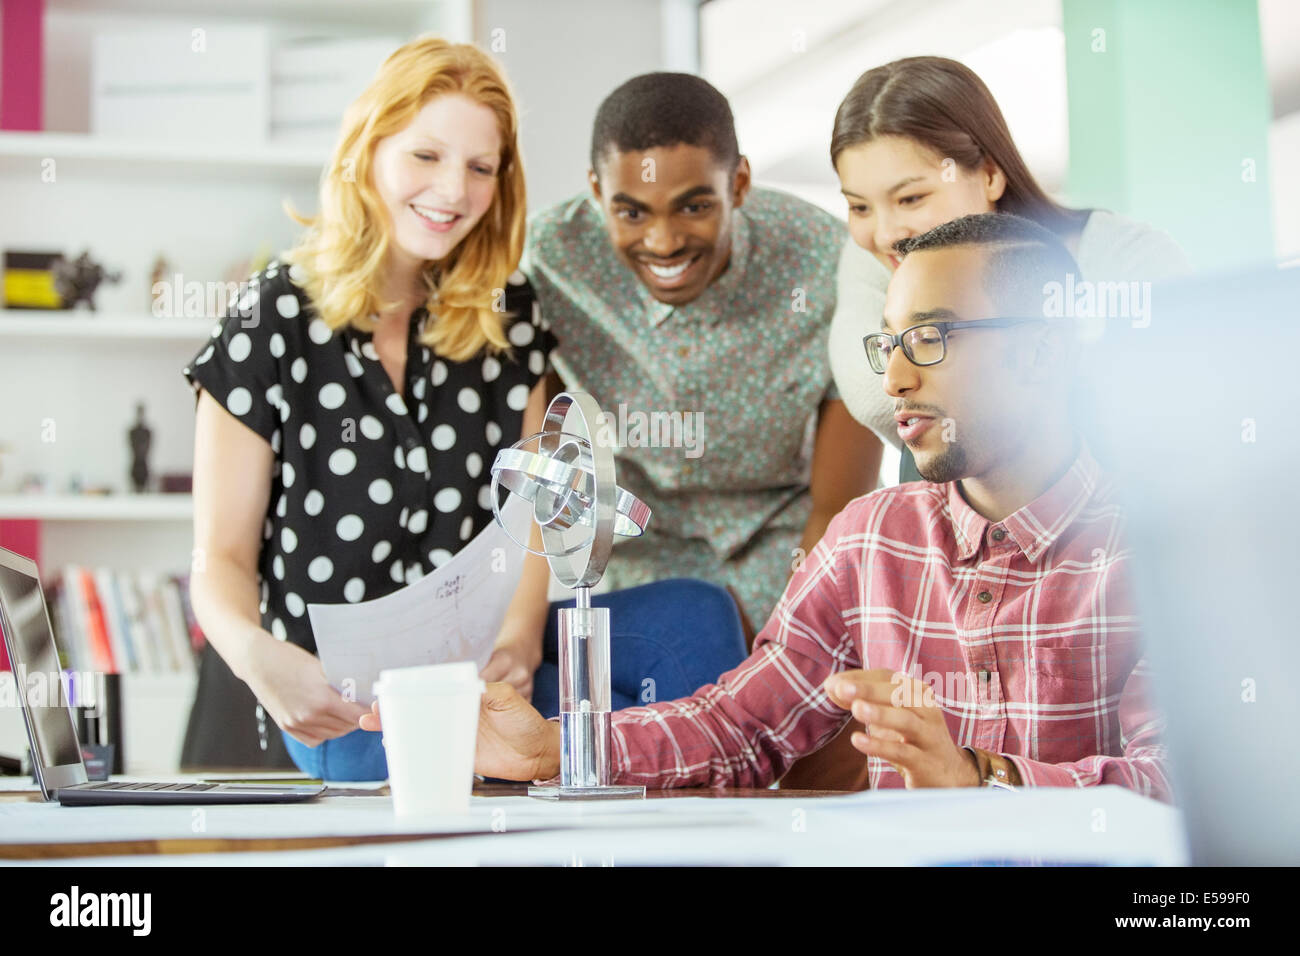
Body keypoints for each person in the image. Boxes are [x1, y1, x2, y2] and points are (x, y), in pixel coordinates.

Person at [361, 213, 1173, 804]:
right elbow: (740, 727)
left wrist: (981, 779)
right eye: (886, 344)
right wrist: (558, 751)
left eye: (930, 339)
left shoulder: (1168, 552)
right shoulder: (870, 541)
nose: (893, 382)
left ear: (1042, 350)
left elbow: (1180, 786)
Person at [184, 38, 746, 781]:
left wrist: (520, 640)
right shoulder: (272, 319)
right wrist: (263, 663)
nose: (453, 190)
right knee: (421, 750)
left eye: (480, 168)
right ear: (369, 149)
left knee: (699, 617)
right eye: (425, 157)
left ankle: (709, 827)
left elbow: (541, 516)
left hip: (488, 674)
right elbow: (218, 559)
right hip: (352, 703)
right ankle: (568, 763)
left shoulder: (507, 316)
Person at [524, 73, 882, 638]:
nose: (663, 242)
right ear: (596, 192)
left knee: (804, 698)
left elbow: (837, 504)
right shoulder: (545, 264)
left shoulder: (825, 262)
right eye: (632, 212)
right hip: (632, 545)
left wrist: (798, 642)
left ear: (738, 184)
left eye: (693, 207)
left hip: (783, 538)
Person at [826, 56, 1188, 475]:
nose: (886, 232)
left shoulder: (1126, 258)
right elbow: (874, 399)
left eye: (911, 198)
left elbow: (1172, 402)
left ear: (990, 173)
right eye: (859, 206)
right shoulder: (881, 256)